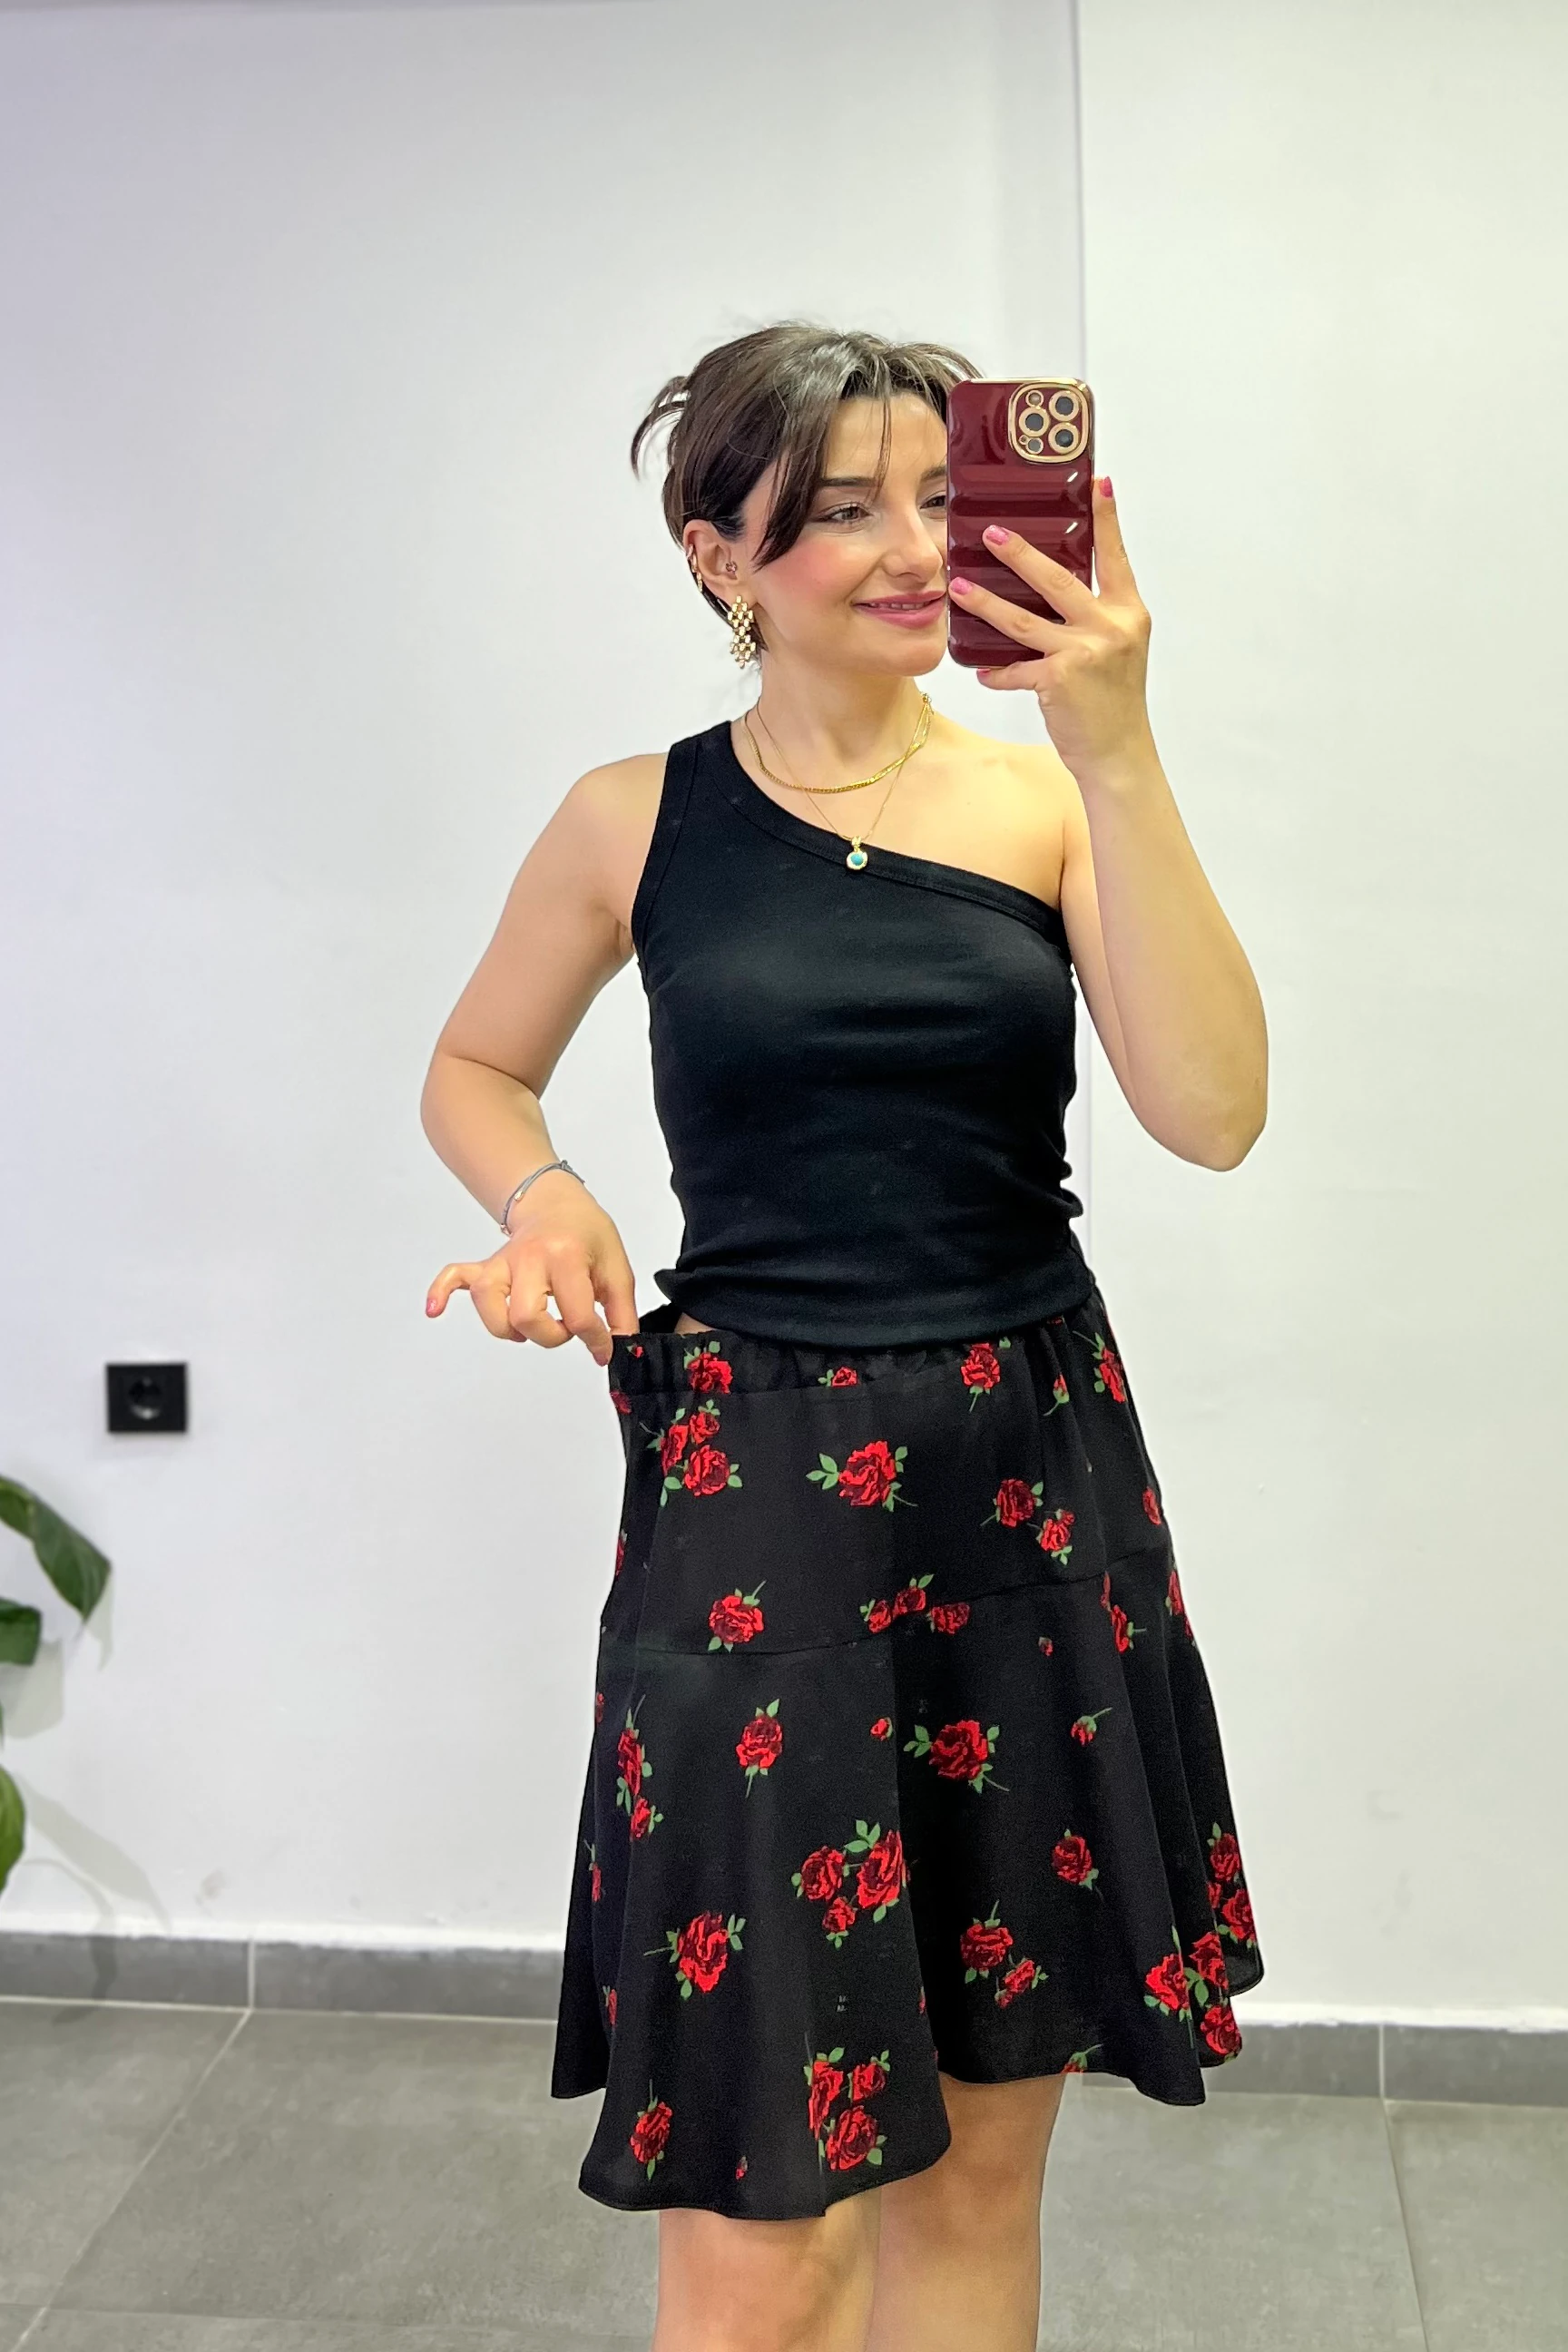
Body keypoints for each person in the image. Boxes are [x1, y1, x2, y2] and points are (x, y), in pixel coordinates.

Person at [420, 322, 1269, 2352]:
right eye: (845, 509)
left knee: (976, 2181)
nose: (914, 549)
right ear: (719, 555)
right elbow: (474, 1068)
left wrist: (1120, 747)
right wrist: (547, 1199)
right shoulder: (634, 818)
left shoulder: (1045, 806)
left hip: (1028, 1483)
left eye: (942, 500)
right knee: (757, 2208)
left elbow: (1216, 1111)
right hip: (758, 1501)